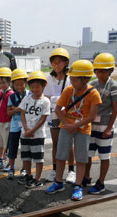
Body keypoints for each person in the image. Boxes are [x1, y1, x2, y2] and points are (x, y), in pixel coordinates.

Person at [46, 60, 102, 201]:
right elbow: (58, 109)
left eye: (75, 79)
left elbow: (92, 116)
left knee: (81, 158)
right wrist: (67, 124)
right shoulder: (68, 90)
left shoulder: (93, 94)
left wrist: (75, 126)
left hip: (83, 129)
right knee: (60, 155)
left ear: (86, 79)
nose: (72, 82)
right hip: (66, 126)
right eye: (71, 78)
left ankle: (78, 185)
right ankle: (58, 182)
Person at [83, 53, 117, 194]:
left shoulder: (113, 85)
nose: (100, 73)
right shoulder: (92, 84)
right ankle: (86, 177)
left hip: (105, 125)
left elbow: (116, 108)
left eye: (104, 71)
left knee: (104, 156)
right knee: (88, 153)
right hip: (91, 125)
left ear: (110, 71)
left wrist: (110, 128)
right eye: (97, 70)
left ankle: (101, 182)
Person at [44, 48, 76, 184]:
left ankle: (71, 170)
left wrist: (55, 99)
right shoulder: (49, 78)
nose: (57, 65)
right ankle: (55, 169)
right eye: (54, 63)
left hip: (67, 115)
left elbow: (71, 97)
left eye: (59, 62)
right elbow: (46, 96)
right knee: (56, 143)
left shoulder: (70, 79)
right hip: (54, 115)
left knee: (69, 143)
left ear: (66, 63)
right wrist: (59, 99)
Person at [17, 71, 50, 188]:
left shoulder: (45, 101)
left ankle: (37, 178)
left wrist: (32, 131)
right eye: (32, 87)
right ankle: (29, 175)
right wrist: (26, 129)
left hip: (37, 134)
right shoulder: (27, 98)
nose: (35, 89)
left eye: (37, 87)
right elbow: (22, 113)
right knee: (26, 156)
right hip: (25, 133)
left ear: (43, 86)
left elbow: (43, 118)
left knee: (38, 158)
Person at [7, 68, 30, 179]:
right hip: (15, 126)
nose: (19, 87)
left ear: (26, 83)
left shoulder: (30, 95)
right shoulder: (11, 96)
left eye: (21, 84)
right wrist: (18, 109)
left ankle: (24, 169)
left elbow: (27, 109)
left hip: (26, 125)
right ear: (13, 85)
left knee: (25, 148)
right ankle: (11, 168)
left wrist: (16, 109)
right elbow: (9, 112)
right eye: (16, 85)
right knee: (12, 147)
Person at [0, 67, 14, 172]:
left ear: (9, 81)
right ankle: (0, 160)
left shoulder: (11, 94)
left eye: (3, 82)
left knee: (7, 144)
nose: (1, 85)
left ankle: (10, 162)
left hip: (7, 122)